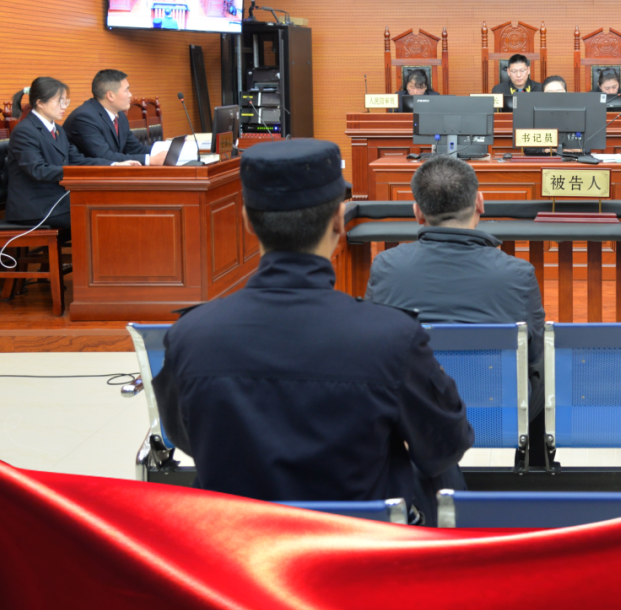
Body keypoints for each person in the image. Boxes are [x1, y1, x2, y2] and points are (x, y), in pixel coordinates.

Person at [153, 139, 472, 518]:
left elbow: (187, 438)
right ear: (339, 219)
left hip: (236, 547)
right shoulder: (392, 337)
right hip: (360, 544)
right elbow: (444, 447)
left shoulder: (190, 336)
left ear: (247, 221)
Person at [364, 153, 546, 420]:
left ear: (417, 213)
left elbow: (373, 347)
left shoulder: (386, 266)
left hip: (413, 417)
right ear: (480, 203)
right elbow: (535, 353)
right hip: (497, 416)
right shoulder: (518, 274)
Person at [4, 75, 137, 234]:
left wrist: (113, 165)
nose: (64, 107)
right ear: (40, 103)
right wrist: (75, 173)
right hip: (35, 207)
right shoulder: (25, 131)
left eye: (65, 101)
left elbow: (78, 160)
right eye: (59, 101)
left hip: (58, 200)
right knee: (100, 213)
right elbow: (38, 170)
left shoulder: (58, 130)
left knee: (110, 203)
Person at [63, 69, 148, 161]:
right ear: (110, 96)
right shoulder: (84, 118)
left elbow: (134, 148)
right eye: (126, 90)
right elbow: (105, 156)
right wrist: (149, 160)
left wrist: (159, 153)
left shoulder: (120, 115)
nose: (130, 95)